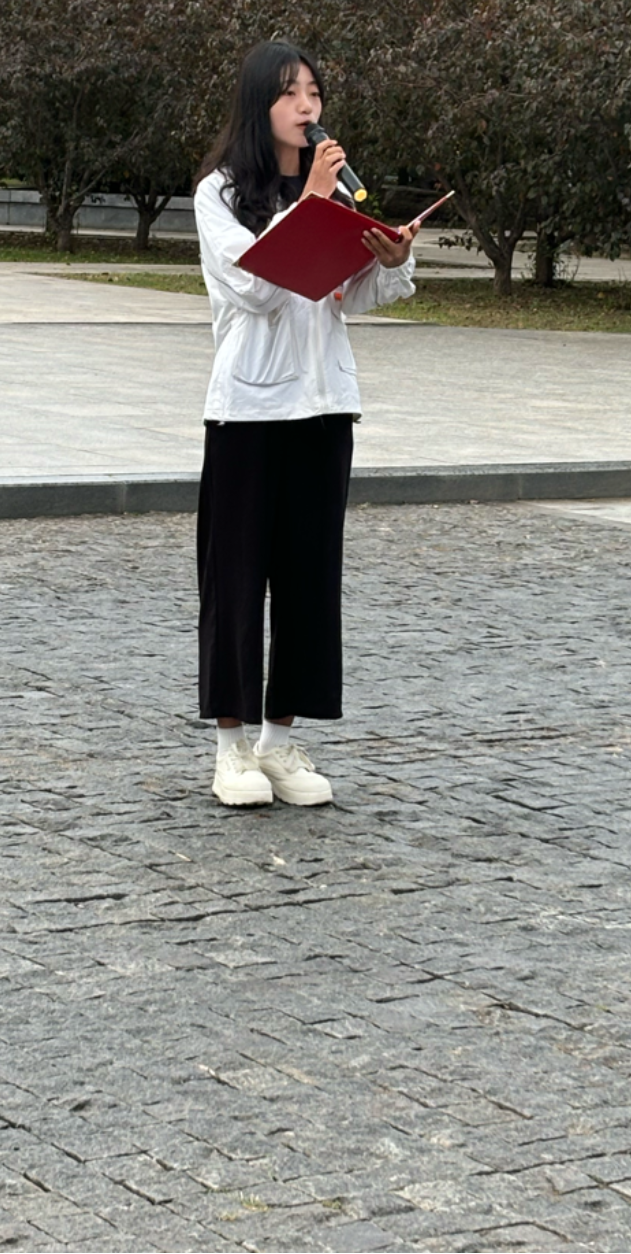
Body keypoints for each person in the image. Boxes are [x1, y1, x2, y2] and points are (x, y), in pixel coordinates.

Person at [194, 40, 420, 807]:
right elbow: (259, 286)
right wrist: (312, 203)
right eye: (290, 93)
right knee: (236, 578)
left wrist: (387, 258)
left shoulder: (333, 198)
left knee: (308, 580)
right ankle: (230, 749)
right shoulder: (219, 195)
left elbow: (345, 297)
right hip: (249, 411)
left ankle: (278, 742)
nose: (307, 106)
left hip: (323, 409)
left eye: (315, 93)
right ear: (259, 105)